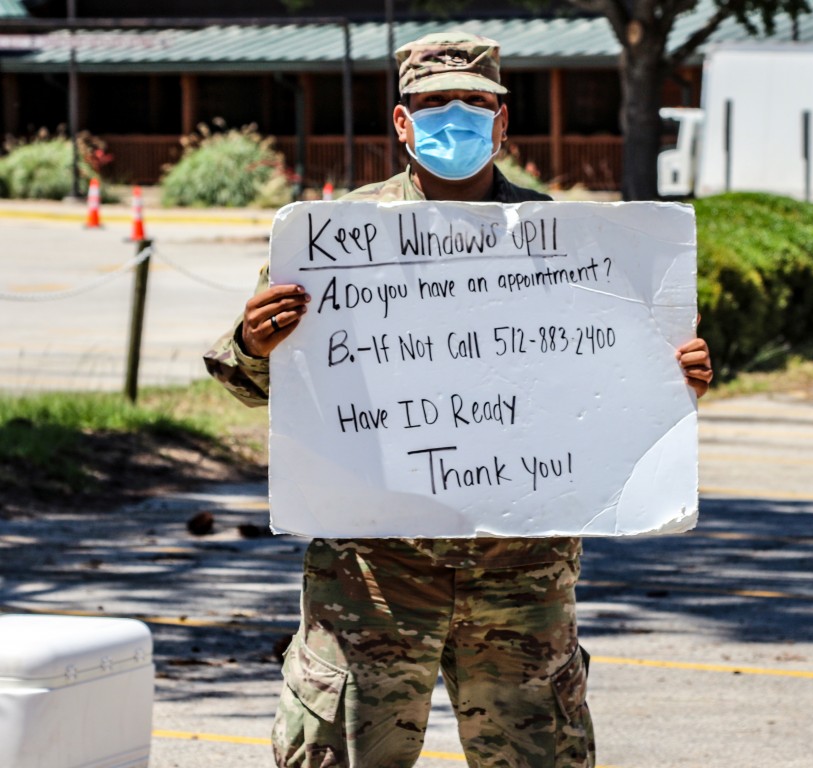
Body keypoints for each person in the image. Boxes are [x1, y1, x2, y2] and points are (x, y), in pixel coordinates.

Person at [204, 30, 713, 768]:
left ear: (502, 124)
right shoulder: (333, 243)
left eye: (475, 102)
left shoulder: (573, 245)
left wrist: (679, 378)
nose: (456, 117)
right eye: (433, 102)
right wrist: (253, 343)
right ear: (401, 122)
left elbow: (621, 395)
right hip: (371, 578)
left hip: (521, 578)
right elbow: (252, 385)